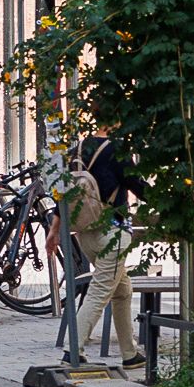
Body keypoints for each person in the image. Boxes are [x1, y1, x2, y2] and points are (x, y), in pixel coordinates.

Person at [64, 131, 138, 370]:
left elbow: (63, 195)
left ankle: (130, 353)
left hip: (86, 234)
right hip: (113, 236)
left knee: (122, 291)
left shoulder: (77, 150)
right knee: (99, 293)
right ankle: (73, 348)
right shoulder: (117, 149)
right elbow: (137, 185)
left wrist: (55, 230)